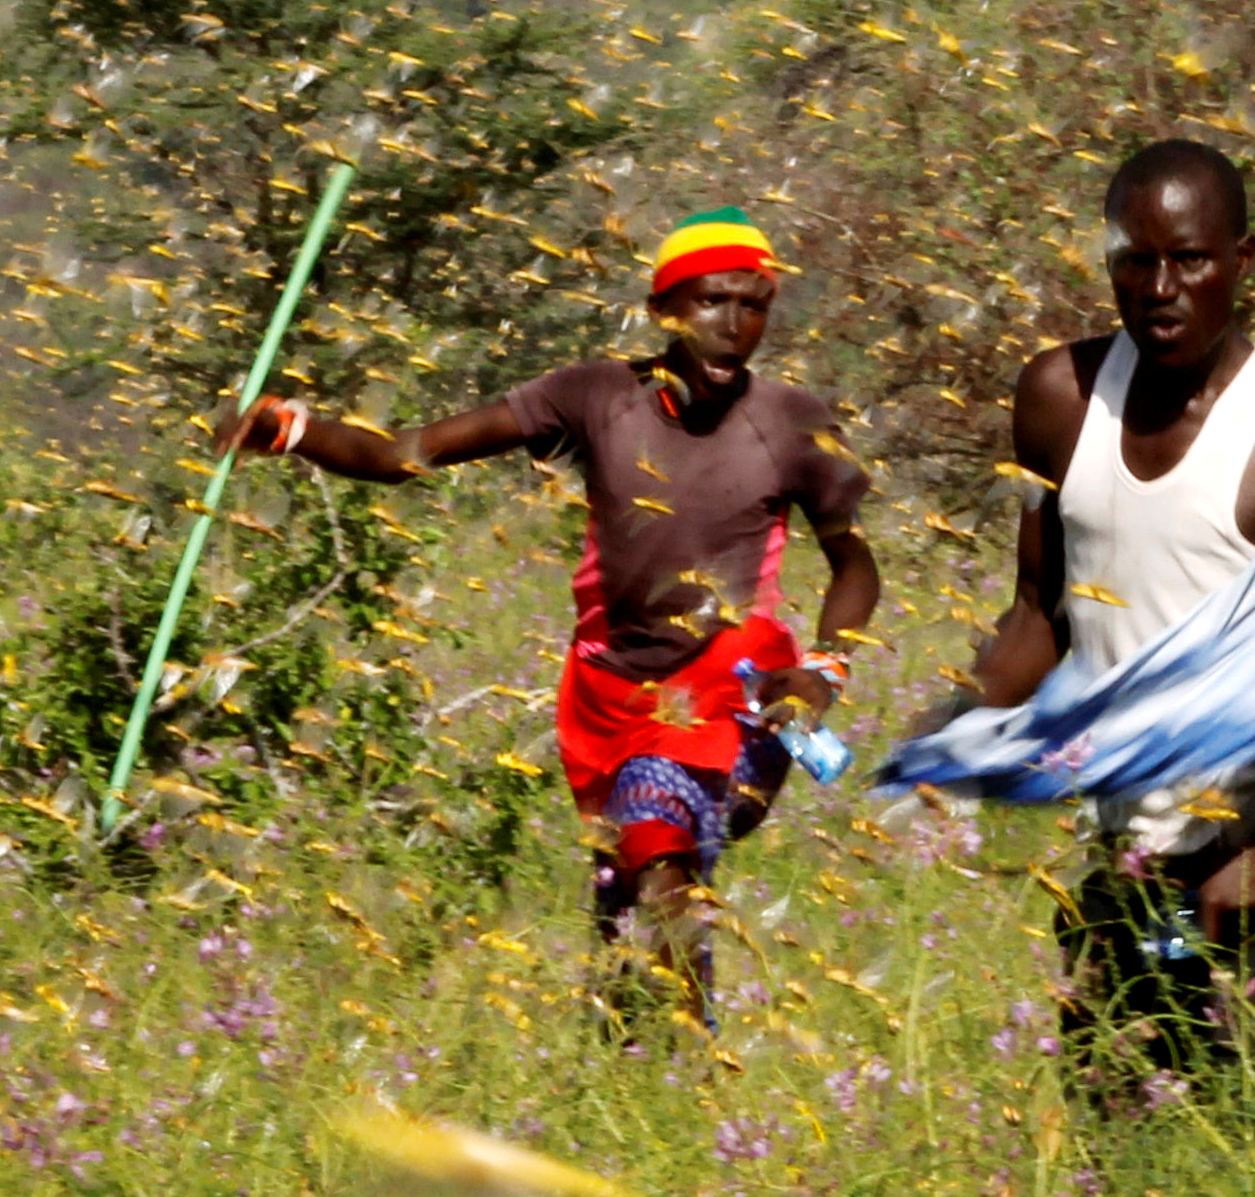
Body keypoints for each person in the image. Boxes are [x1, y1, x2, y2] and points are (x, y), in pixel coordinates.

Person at [224, 207, 878, 1022]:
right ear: (663, 309)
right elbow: (402, 455)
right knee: (622, 895)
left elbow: (855, 565)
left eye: (754, 306)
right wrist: (291, 428)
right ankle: (625, 1071)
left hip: (726, 680)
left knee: (660, 845)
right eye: (711, 302)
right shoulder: (596, 396)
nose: (734, 327)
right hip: (607, 689)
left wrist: (824, 667)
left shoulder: (791, 423)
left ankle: (696, 1075)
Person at [967, 138, 1255, 1111]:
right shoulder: (1056, 399)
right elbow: (1041, 609)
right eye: (1135, 258)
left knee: (1243, 1180)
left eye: (1191, 259)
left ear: (1243, 261)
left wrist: (1245, 834)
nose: (1160, 285)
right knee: (1105, 1183)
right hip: (1119, 863)